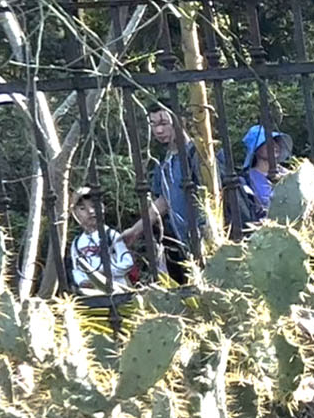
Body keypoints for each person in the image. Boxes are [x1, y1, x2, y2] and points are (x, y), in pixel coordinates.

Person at [123, 102, 205, 281]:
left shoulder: (198, 154)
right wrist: (135, 230)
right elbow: (164, 201)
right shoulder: (164, 163)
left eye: (163, 123)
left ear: (180, 121)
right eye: (153, 124)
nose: (158, 130)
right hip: (183, 244)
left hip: (207, 238)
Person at [225, 124, 292, 238]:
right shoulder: (246, 180)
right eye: (266, 142)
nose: (274, 146)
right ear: (256, 150)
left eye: (275, 141)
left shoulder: (290, 176)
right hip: (264, 237)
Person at [66, 187, 135, 294]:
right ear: (75, 213)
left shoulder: (111, 236)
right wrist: (83, 281)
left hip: (118, 288)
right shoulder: (77, 243)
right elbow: (76, 269)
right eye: (82, 208)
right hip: (93, 293)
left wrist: (105, 271)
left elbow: (127, 262)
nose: (90, 211)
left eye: (94, 206)